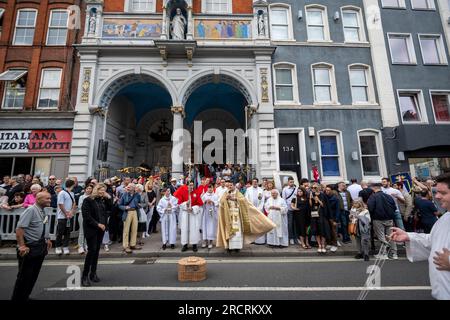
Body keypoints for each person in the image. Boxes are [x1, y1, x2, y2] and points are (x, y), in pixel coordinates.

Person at [390, 172, 450, 300]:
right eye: (437, 192)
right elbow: (432, 241)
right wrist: (408, 236)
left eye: (443, 193)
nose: (437, 196)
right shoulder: (445, 218)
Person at [11, 191, 52, 301]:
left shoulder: (43, 210)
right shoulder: (30, 210)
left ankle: (25, 296)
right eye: (47, 198)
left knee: (33, 276)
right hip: (30, 248)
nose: (50, 200)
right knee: (24, 277)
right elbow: (19, 229)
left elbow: (42, 226)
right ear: (38, 199)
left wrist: (47, 239)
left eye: (50, 198)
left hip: (40, 247)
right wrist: (22, 246)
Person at [216, 183, 276, 252]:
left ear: (234, 186)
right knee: (230, 231)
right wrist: (225, 200)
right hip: (229, 216)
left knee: (237, 233)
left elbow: (244, 201)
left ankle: (237, 248)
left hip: (237, 216)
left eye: (231, 185)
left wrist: (234, 199)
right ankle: (229, 247)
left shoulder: (238, 193)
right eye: (229, 186)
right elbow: (221, 203)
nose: (230, 187)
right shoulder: (225, 194)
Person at [81, 183, 111, 287]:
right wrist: (98, 224)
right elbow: (87, 217)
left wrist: (108, 198)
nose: (102, 192)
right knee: (91, 251)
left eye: (104, 190)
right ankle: (84, 276)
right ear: (96, 190)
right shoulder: (88, 200)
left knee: (97, 251)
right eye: (100, 190)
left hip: (101, 229)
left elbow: (110, 209)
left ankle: (93, 273)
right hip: (92, 229)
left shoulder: (102, 200)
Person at [367, 182, 398, 260]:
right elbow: (394, 207)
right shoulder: (388, 196)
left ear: (374, 188)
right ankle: (394, 253)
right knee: (390, 236)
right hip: (389, 218)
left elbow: (370, 208)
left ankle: (384, 253)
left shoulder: (373, 197)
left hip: (378, 219)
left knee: (381, 236)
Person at [175, 181, 203, 252]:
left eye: (192, 185)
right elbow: (179, 204)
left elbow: (199, 205)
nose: (191, 187)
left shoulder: (196, 193)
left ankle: (194, 245)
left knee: (193, 229)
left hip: (193, 214)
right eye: (190, 185)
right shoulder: (183, 193)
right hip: (185, 213)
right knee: (185, 229)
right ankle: (185, 245)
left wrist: (193, 208)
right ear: (187, 186)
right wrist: (185, 204)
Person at [55, 179, 76, 255]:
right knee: (60, 232)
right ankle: (58, 247)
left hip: (69, 216)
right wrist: (66, 213)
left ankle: (65, 247)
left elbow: (74, 203)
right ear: (72, 185)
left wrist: (71, 212)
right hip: (61, 216)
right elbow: (60, 204)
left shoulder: (72, 193)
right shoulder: (62, 193)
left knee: (67, 232)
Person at [119, 183, 142, 253]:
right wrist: (125, 207)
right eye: (128, 187)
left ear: (134, 188)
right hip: (127, 212)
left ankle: (133, 244)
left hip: (135, 212)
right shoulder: (124, 194)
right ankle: (125, 246)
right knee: (126, 230)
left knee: (134, 229)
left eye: (131, 187)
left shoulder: (137, 195)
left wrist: (139, 205)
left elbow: (139, 202)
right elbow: (120, 205)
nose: (129, 188)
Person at [309, 185, 331, 253]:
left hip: (321, 215)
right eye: (312, 187)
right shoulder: (312, 194)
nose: (313, 189)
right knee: (316, 231)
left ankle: (323, 245)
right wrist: (310, 198)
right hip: (314, 215)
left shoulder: (323, 195)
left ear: (319, 188)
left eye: (314, 187)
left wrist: (318, 200)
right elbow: (310, 205)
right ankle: (319, 245)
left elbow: (324, 205)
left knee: (322, 231)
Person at [77, 184, 94, 254]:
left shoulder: (93, 197)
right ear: (85, 189)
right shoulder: (82, 197)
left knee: (88, 231)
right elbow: (80, 206)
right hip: (82, 215)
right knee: (82, 231)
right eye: (87, 188)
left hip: (90, 216)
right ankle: (80, 246)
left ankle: (86, 245)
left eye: (90, 188)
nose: (89, 190)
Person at [201, 184, 219, 249]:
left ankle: (211, 242)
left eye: (211, 188)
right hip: (206, 214)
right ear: (207, 189)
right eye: (209, 188)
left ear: (213, 188)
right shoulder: (204, 195)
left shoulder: (215, 196)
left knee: (211, 228)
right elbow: (201, 203)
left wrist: (213, 202)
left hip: (212, 213)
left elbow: (218, 203)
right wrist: (205, 201)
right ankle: (205, 241)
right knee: (205, 227)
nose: (210, 189)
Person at [281, 178, 298, 245]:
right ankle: (291, 238)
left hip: (296, 209)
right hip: (289, 209)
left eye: (293, 182)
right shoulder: (285, 189)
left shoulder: (296, 188)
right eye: (290, 182)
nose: (292, 183)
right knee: (290, 224)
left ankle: (296, 238)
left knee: (296, 224)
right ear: (288, 182)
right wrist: (286, 209)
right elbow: (284, 199)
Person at [324, 185, 339, 252]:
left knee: (334, 232)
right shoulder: (324, 197)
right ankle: (329, 243)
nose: (327, 191)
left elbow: (337, 210)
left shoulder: (335, 199)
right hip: (326, 217)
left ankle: (335, 245)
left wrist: (336, 220)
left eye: (328, 190)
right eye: (326, 190)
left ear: (331, 191)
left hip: (333, 217)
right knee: (328, 231)